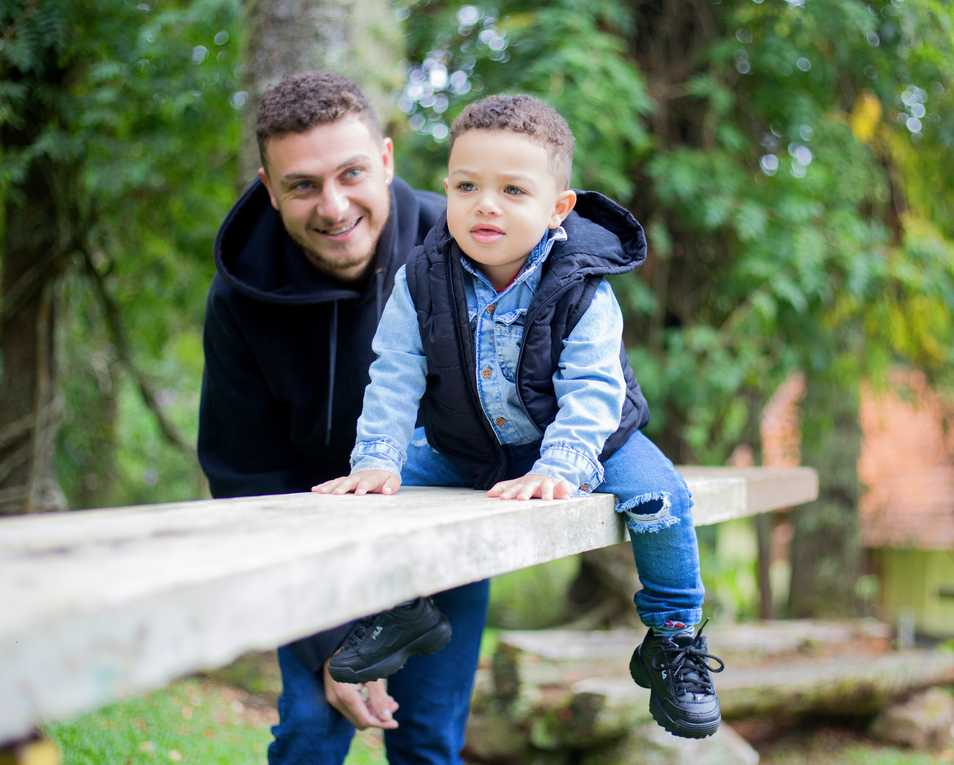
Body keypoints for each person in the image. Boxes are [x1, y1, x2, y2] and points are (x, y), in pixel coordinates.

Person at [313, 94, 724, 739]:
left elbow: (593, 388)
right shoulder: (420, 279)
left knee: (661, 498)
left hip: (592, 442)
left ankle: (672, 640)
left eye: (513, 190)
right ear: (446, 188)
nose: (486, 204)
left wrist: (561, 465)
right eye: (468, 186)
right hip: (468, 445)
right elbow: (394, 375)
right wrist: (378, 460)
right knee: (369, 493)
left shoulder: (583, 284)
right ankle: (401, 606)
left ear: (558, 208)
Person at [197, 71, 489, 765]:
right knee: (311, 727)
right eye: (301, 185)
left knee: (427, 744)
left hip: (447, 531)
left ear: (386, 161)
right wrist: (332, 644)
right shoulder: (240, 295)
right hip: (312, 547)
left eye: (352, 173)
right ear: (269, 190)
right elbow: (245, 477)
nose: (332, 207)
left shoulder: (465, 248)